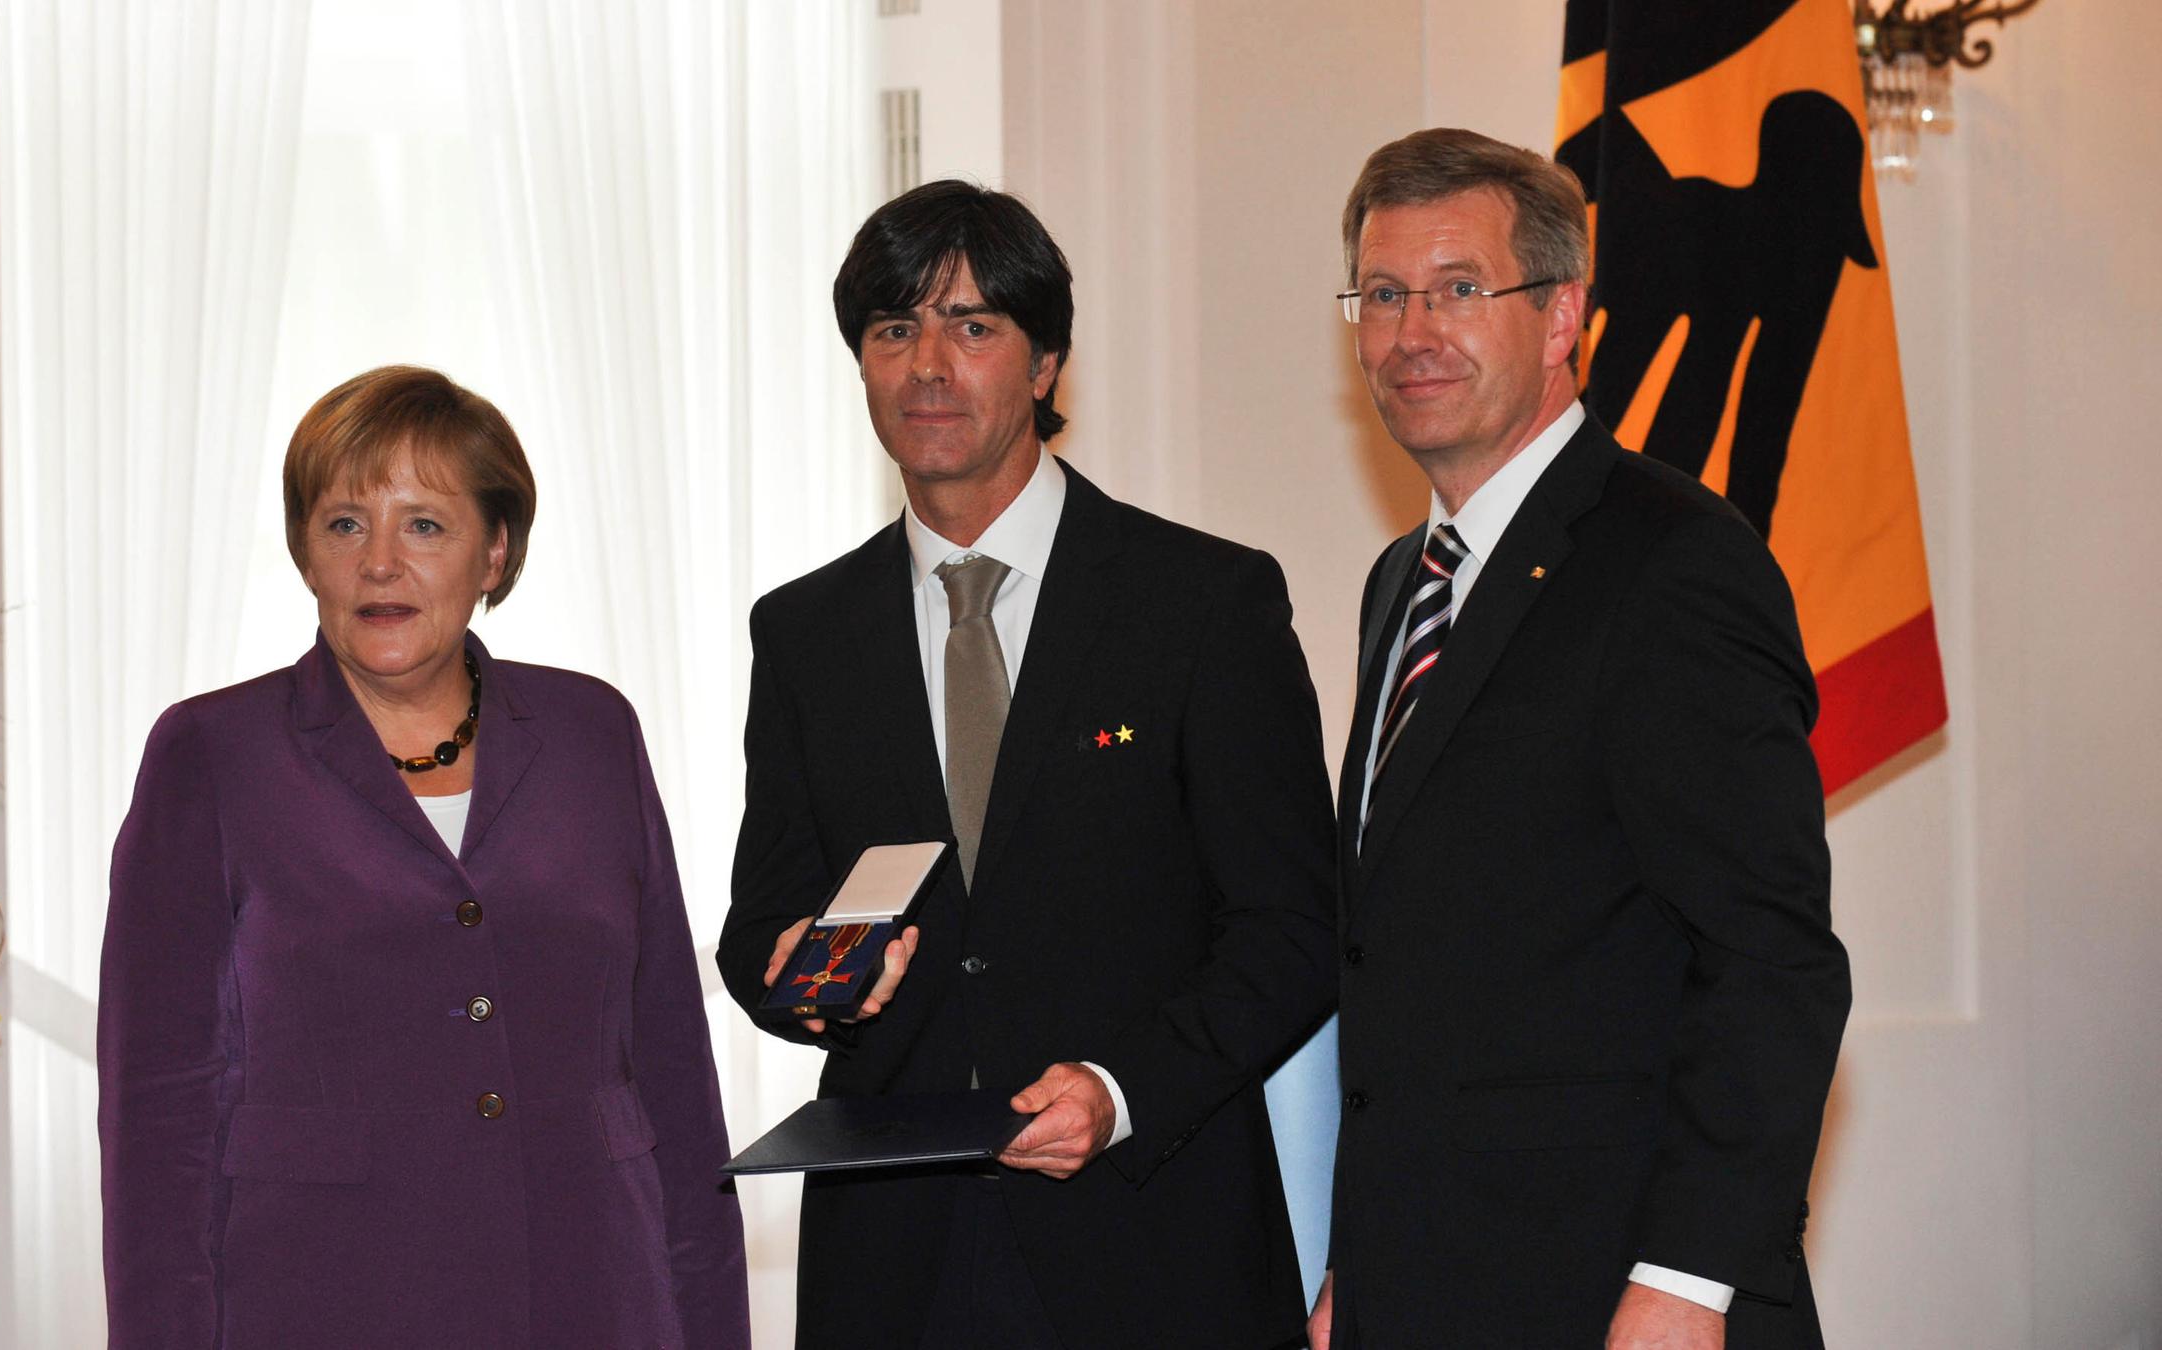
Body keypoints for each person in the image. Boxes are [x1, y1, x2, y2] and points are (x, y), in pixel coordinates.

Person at [717, 179, 1340, 1350]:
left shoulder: (1203, 604)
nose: (928, 367)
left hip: (1151, 1240)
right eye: (894, 330)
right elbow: (762, 926)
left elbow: (1293, 929)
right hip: (893, 1262)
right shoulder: (803, 632)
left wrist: (1120, 1092)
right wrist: (794, 975)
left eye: (973, 325)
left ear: (1047, 361)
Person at [1309, 130, 1850, 1350]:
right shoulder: (1403, 581)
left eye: (1459, 290)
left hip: (1618, 1293)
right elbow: (1403, 967)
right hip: (1427, 1285)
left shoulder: (1675, 563)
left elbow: (1771, 961)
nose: (1412, 334)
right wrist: (1364, 1262)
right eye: (1383, 295)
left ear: (1562, 317)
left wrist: (1687, 1282)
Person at [99, 366, 748, 1349]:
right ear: (306, 555)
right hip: (321, 1300)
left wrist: (710, 1325)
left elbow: (670, 1067)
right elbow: (159, 1113)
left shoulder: (592, 731)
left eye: (426, 526)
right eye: (345, 524)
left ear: (494, 551)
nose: (380, 565)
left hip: (597, 1293)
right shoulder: (212, 753)